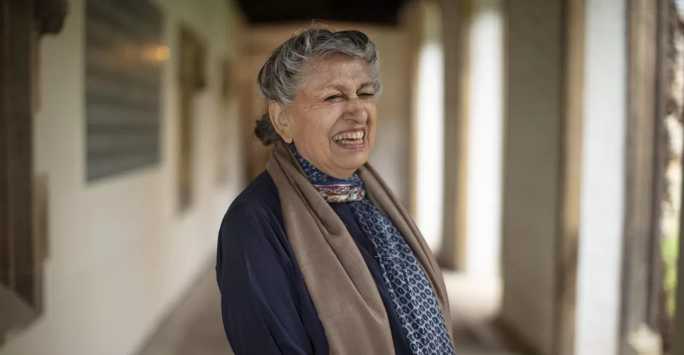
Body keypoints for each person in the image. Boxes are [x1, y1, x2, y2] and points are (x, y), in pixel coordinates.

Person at [216, 28, 456, 355]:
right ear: (282, 118)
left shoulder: (373, 199)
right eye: (333, 96)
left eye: (366, 92)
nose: (358, 111)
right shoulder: (254, 223)